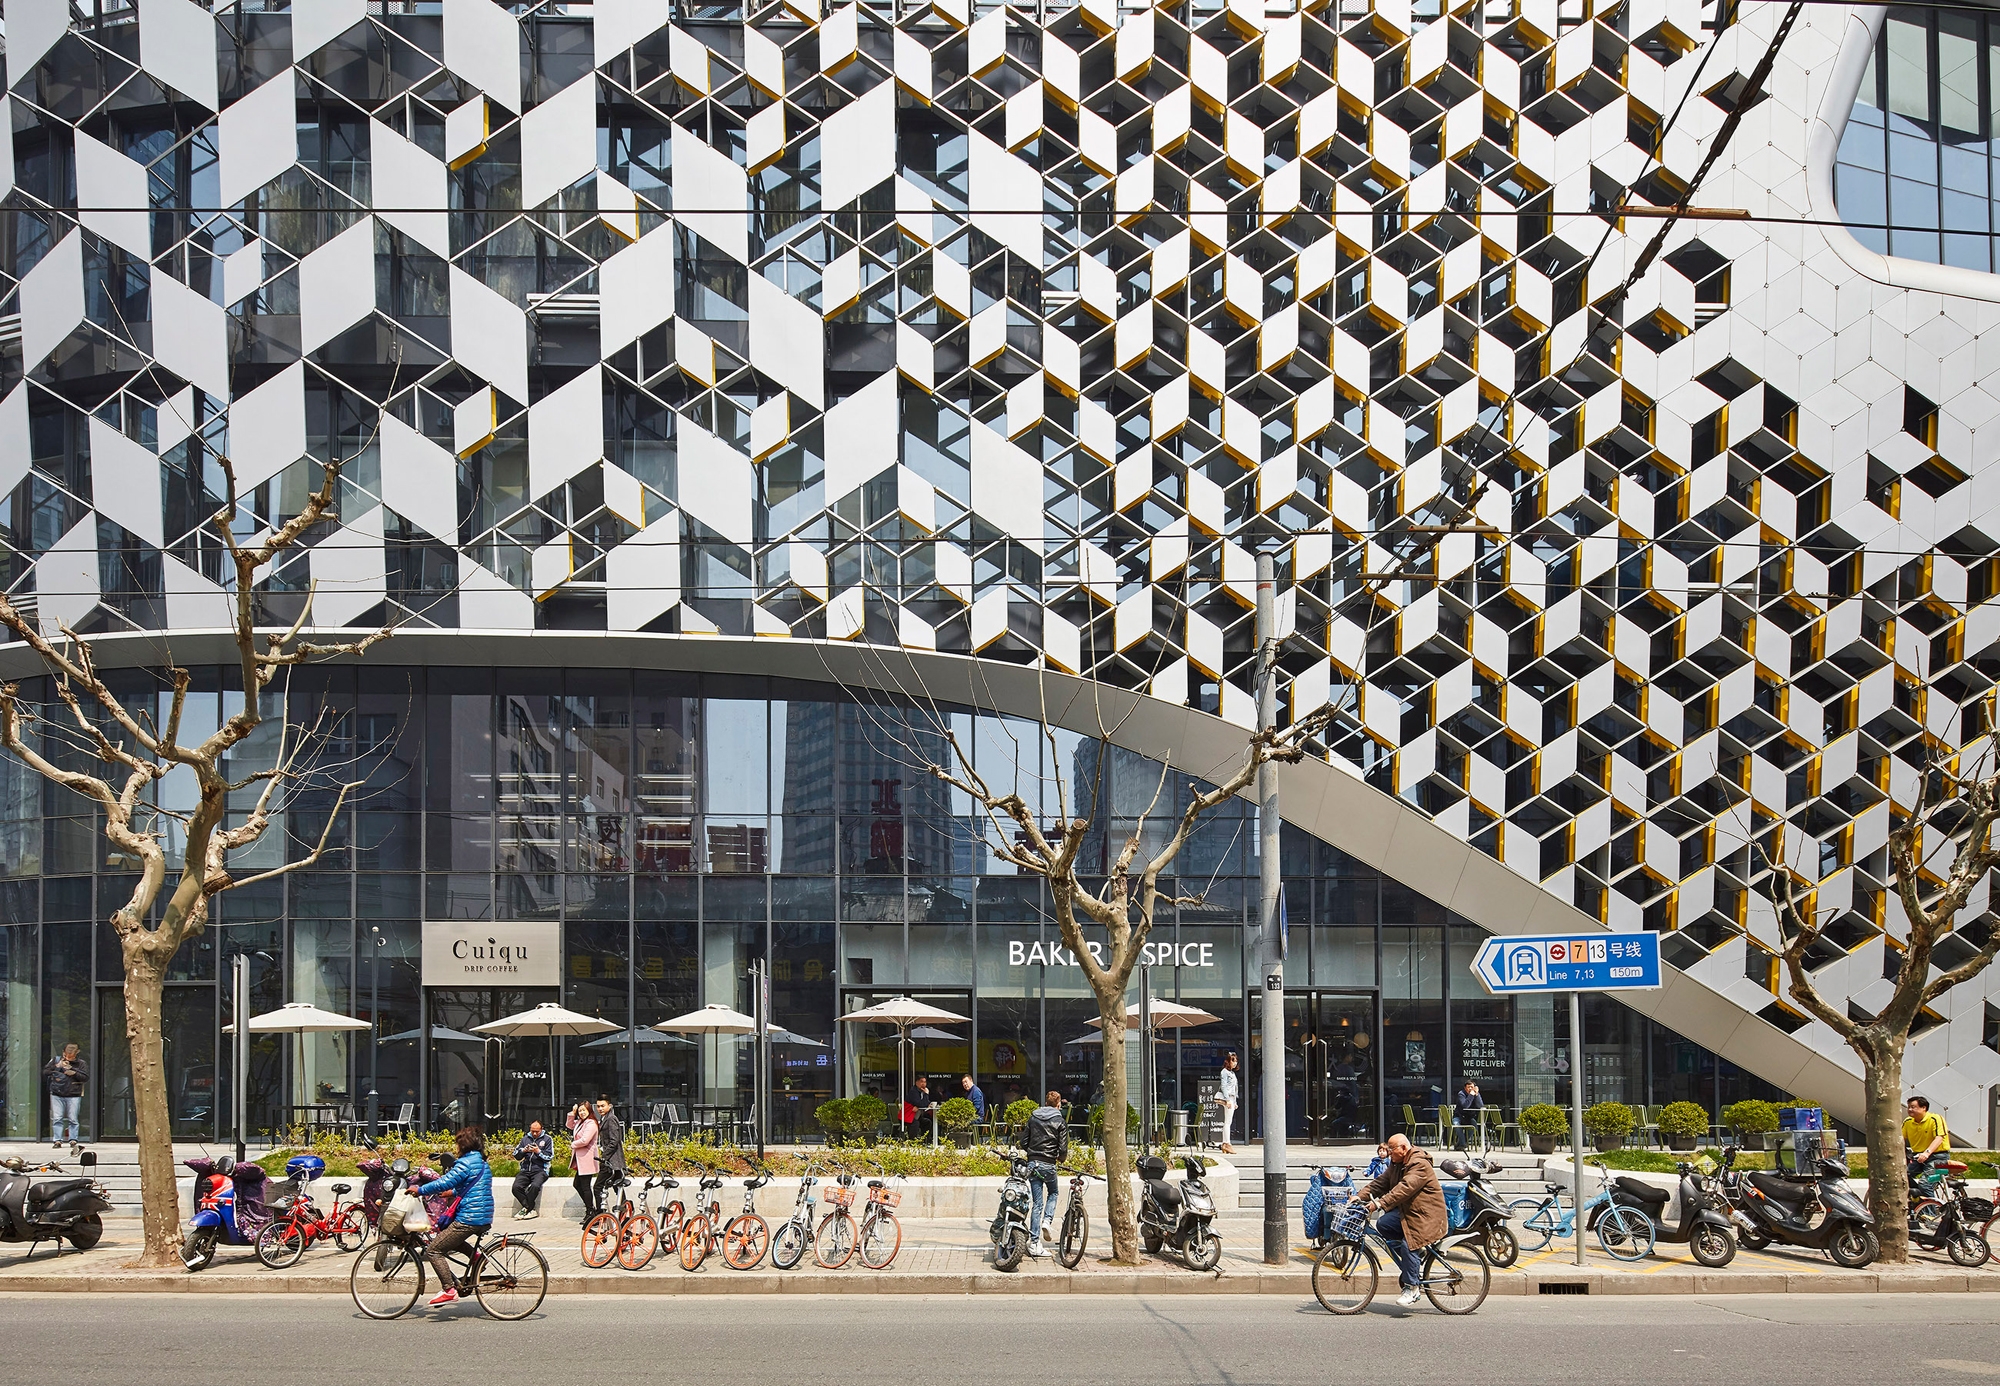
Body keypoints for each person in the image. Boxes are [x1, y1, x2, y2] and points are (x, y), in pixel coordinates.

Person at [1362, 1133, 1447, 1307]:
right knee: (1383, 1224)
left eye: (1391, 1149)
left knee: (1409, 1244)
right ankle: (1414, 1259)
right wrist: (1359, 1196)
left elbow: (1404, 1188)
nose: (1388, 1153)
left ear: (1403, 1148)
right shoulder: (1396, 1163)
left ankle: (1412, 1288)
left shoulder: (1419, 1164)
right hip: (1409, 1212)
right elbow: (1380, 1182)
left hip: (1426, 1216)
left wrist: (1379, 1203)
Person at [416, 1126, 493, 1307]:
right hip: (483, 1215)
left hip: (469, 1217)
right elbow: (473, 1186)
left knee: (433, 1250)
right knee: (448, 1237)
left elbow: (443, 1182)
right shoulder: (482, 1162)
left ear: (463, 1145)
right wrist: (452, 1192)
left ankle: (449, 1290)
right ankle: (476, 1258)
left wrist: (419, 1190)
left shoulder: (465, 1163)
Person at [1021, 1090, 1069, 1255]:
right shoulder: (1060, 1121)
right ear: (1058, 1104)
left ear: (1045, 1103)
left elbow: (1023, 1142)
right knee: (1053, 1192)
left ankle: (1034, 1244)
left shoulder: (1034, 1117)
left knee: (1037, 1204)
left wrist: (1033, 1152)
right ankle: (1047, 1221)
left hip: (1033, 1164)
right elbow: (1063, 1148)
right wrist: (1060, 1158)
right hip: (1049, 1164)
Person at [43, 1042, 87, 1145]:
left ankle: (73, 1139)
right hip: (57, 1093)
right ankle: (57, 1140)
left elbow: (85, 1077)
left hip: (74, 1094)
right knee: (57, 1118)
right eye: (67, 1054)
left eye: (71, 1055)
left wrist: (73, 1072)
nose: (68, 1057)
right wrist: (57, 1066)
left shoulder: (81, 1063)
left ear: (77, 1053)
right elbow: (45, 1072)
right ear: (63, 1052)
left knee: (73, 1119)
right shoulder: (56, 1060)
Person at [511, 1121, 553, 1219]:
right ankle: (529, 1208)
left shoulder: (547, 1139)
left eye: (537, 1131)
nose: (534, 1133)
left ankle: (526, 1209)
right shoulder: (525, 1139)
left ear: (541, 1129)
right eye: (532, 1131)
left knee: (535, 1186)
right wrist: (523, 1150)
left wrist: (538, 1152)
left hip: (540, 1170)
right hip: (525, 1169)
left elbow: (549, 1156)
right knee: (516, 1187)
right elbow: (515, 1155)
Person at [568, 1102, 600, 1218]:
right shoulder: (581, 1122)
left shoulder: (591, 1123)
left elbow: (585, 1140)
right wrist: (572, 1113)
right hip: (581, 1159)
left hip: (587, 1158)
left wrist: (573, 1144)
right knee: (578, 1184)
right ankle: (591, 1209)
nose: (581, 1113)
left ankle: (590, 1212)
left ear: (589, 1111)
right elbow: (569, 1125)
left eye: (584, 1110)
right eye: (580, 1111)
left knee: (585, 1186)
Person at [1904, 1095, 1949, 1174]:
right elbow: (1900, 1139)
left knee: (1926, 1181)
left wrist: (1926, 1153)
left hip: (1937, 1156)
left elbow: (1939, 1138)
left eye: (1913, 1107)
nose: (1910, 1109)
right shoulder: (1907, 1121)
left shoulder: (1935, 1118)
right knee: (1903, 1176)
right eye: (1908, 1107)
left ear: (1924, 1108)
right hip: (1917, 1156)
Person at [594, 1097, 627, 1187]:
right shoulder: (604, 1118)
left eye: (603, 1106)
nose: (600, 1109)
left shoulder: (611, 1118)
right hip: (611, 1160)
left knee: (598, 1187)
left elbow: (614, 1140)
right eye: (598, 1106)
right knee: (617, 1187)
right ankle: (623, 1198)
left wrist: (604, 1156)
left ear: (609, 1106)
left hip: (612, 1160)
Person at [1216, 1052, 1239, 1154]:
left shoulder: (1232, 1073)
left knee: (1228, 1121)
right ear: (1228, 1061)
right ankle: (1227, 1143)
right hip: (1228, 1098)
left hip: (1231, 1098)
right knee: (1228, 1122)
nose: (1235, 1063)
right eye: (1233, 1061)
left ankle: (1225, 1144)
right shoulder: (1224, 1072)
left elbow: (1234, 1088)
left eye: (1236, 1061)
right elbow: (1224, 1086)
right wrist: (1227, 1100)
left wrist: (1234, 1101)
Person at [1451, 1080, 1483, 1150]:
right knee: (1456, 1124)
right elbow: (1465, 1106)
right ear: (1465, 1088)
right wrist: (1471, 1095)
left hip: (1469, 1117)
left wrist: (1477, 1095)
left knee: (1474, 1126)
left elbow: (1480, 1106)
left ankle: (1460, 1143)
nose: (1470, 1089)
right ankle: (1463, 1144)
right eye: (1468, 1087)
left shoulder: (1475, 1094)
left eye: (1472, 1087)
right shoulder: (1461, 1094)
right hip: (1459, 1116)